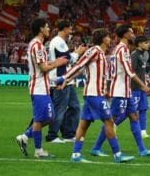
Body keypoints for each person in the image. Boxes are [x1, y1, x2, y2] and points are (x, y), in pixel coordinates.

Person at [57, 28, 135, 163]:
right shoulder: (94, 51)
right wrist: (63, 78)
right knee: (109, 122)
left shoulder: (101, 53)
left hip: (94, 94)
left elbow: (82, 69)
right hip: (94, 94)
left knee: (84, 125)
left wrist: (67, 80)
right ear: (103, 39)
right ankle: (117, 155)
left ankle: (75, 155)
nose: (110, 39)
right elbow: (79, 65)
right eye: (107, 37)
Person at [90, 25, 150, 157]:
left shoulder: (117, 49)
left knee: (133, 116)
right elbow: (129, 71)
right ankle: (96, 147)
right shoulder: (123, 49)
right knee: (111, 121)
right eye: (131, 32)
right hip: (120, 90)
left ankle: (142, 149)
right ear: (125, 34)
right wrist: (143, 85)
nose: (133, 35)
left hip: (126, 90)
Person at [15, 18, 70, 159]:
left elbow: (45, 64)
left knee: (50, 117)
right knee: (41, 119)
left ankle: (25, 136)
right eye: (46, 27)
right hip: (38, 88)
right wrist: (58, 64)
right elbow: (44, 67)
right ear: (40, 29)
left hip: (43, 87)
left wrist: (57, 61)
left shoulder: (37, 45)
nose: (48, 29)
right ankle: (38, 151)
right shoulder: (37, 46)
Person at [46, 20, 87, 143]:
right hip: (60, 79)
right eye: (70, 29)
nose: (71, 31)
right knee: (60, 109)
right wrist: (78, 53)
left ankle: (69, 134)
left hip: (67, 80)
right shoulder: (58, 41)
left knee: (75, 107)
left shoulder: (61, 42)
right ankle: (52, 135)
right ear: (64, 29)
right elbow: (66, 59)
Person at [130, 35, 150, 138]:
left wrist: (145, 79)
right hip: (134, 87)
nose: (148, 44)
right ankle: (113, 125)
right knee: (130, 111)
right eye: (146, 43)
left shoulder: (145, 54)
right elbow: (131, 71)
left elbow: (141, 70)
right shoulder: (134, 55)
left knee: (143, 109)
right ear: (139, 44)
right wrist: (141, 84)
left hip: (142, 87)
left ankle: (143, 131)